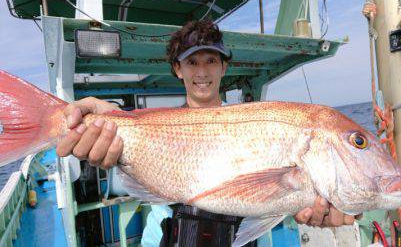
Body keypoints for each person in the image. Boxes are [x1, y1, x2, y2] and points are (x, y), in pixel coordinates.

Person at [56, 19, 358, 246]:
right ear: (178, 69)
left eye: (211, 61)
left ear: (224, 67)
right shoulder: (162, 124)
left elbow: (280, 194)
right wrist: (101, 123)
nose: (202, 72)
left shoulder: (256, 122)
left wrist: (341, 201)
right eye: (192, 62)